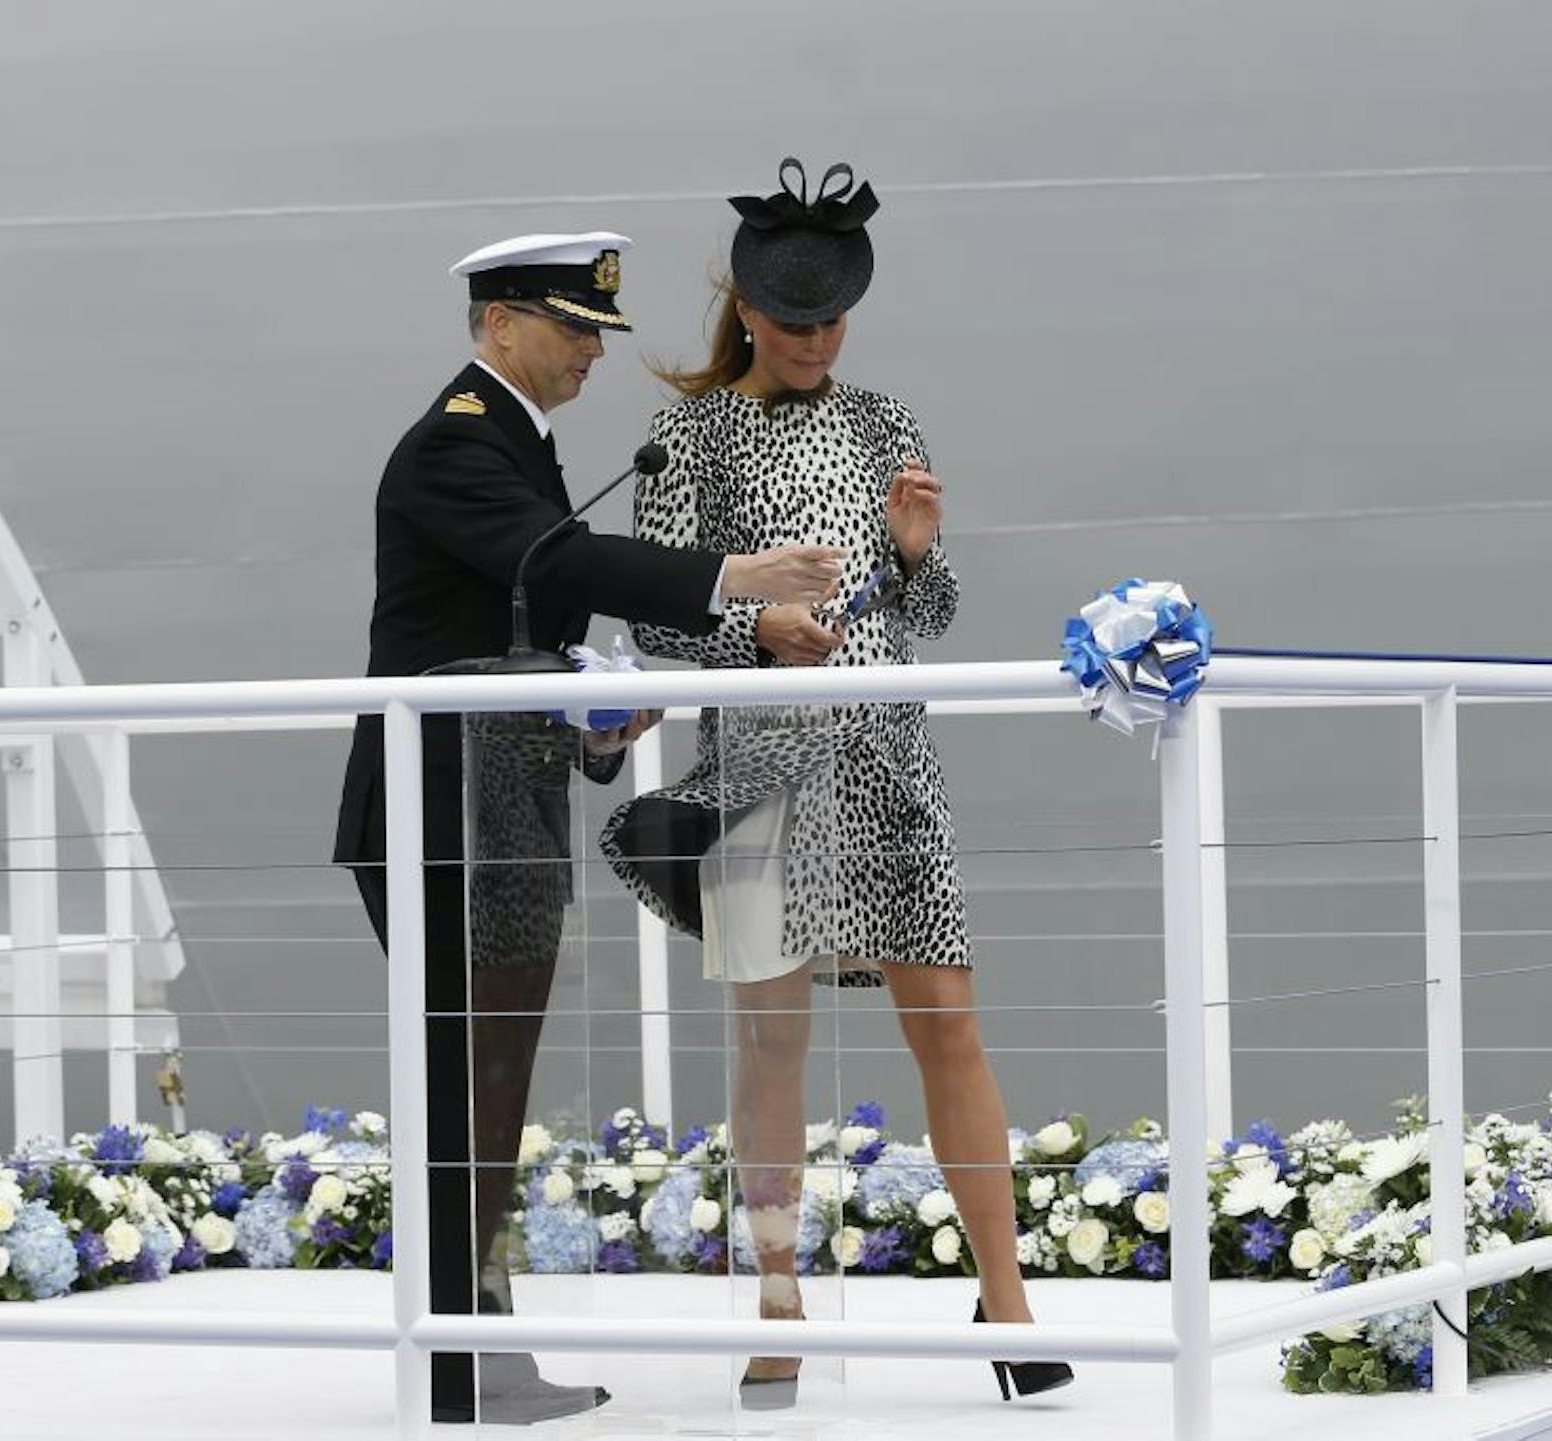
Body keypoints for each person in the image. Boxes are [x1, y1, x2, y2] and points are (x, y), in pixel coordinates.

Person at [331, 230, 845, 1426]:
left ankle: (475, 1346)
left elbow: (529, 618)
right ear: (499, 322)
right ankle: (463, 1360)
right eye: (571, 328)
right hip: (440, 809)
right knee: (469, 1083)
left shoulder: (516, 444)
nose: (589, 354)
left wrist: (599, 727)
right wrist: (736, 579)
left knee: (487, 1082)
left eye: (596, 333)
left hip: (495, 799)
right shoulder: (459, 441)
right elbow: (556, 560)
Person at [602, 161, 1073, 1408]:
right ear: (749, 312)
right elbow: (660, 624)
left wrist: (915, 552)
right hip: (760, 763)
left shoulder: (884, 420)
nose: (816, 340)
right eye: (795, 320)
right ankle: (776, 1294)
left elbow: (934, 610)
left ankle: (1008, 1296)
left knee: (950, 1026)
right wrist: (754, 636)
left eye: (832, 320)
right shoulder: (692, 436)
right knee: (773, 1041)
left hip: (887, 758)